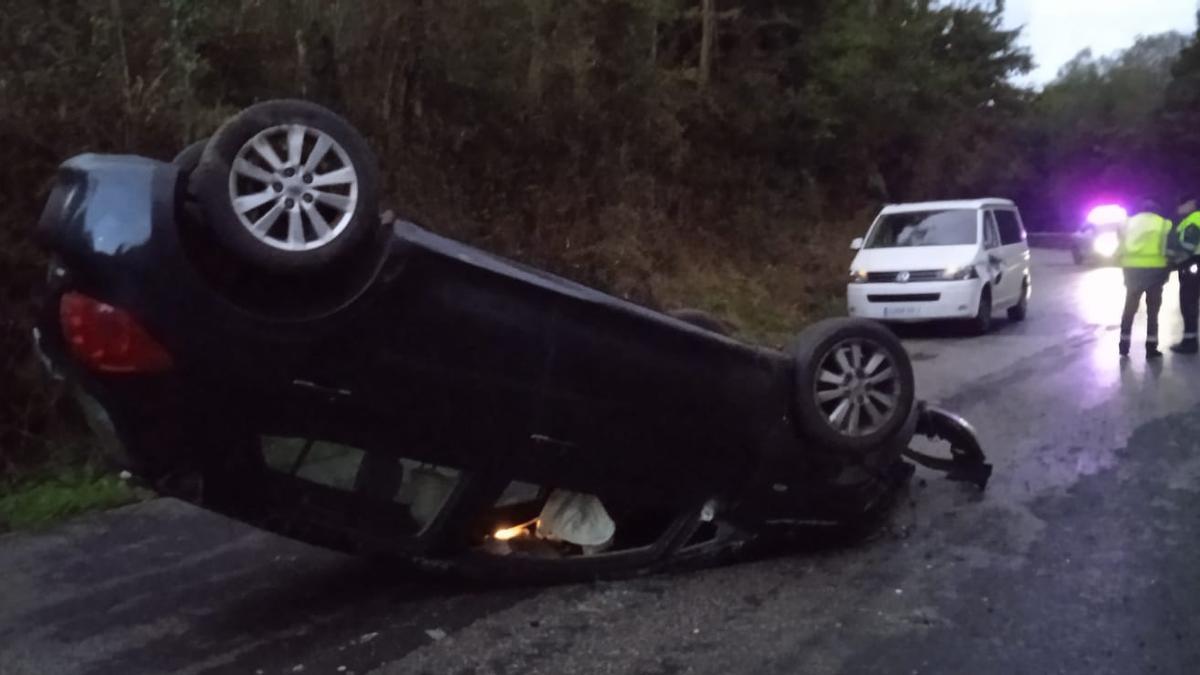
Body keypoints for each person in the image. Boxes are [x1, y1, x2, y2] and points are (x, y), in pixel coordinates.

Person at [1118, 199, 1172, 358]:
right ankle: (1151, 348)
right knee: (1153, 311)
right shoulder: (1164, 224)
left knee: (1129, 309)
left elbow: (1120, 246)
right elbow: (1168, 248)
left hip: (1132, 270)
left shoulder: (1127, 223)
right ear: (1157, 211)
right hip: (1155, 271)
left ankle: (1123, 345)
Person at [1170, 199, 1200, 354]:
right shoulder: (1189, 220)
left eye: (1181, 204)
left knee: (1189, 305)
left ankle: (1189, 343)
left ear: (1190, 204)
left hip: (1193, 265)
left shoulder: (1194, 220)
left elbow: (1188, 246)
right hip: (1194, 264)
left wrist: (1173, 258)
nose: (1178, 208)